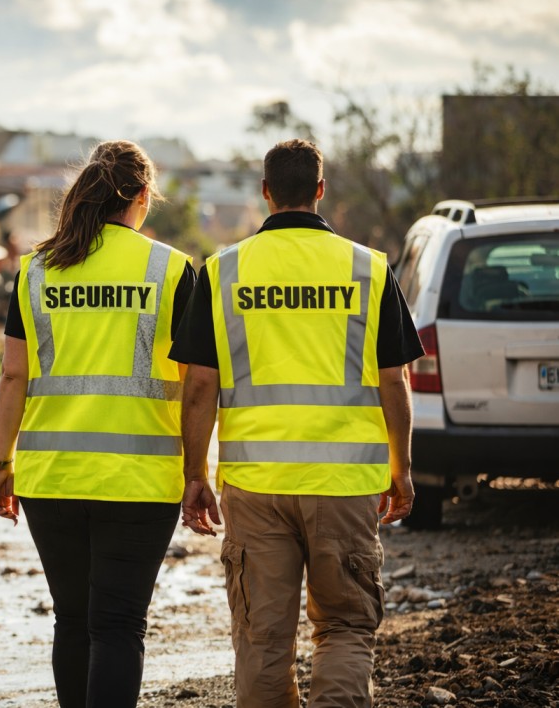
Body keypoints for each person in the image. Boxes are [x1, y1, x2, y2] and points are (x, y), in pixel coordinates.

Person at [170, 138, 423, 707]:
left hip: (257, 487)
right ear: (320, 190)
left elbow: (201, 385)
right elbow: (394, 381)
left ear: (265, 192)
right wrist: (402, 468)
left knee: (263, 640)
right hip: (345, 485)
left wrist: (195, 475)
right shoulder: (368, 269)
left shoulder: (222, 271)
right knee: (344, 627)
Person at [0, 140, 197, 708]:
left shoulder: (35, 269)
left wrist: (2, 464)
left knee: (73, 620)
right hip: (141, 479)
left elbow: (13, 377)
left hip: (50, 476)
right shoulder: (171, 269)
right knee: (119, 624)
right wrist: (200, 472)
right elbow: (198, 382)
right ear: (142, 196)